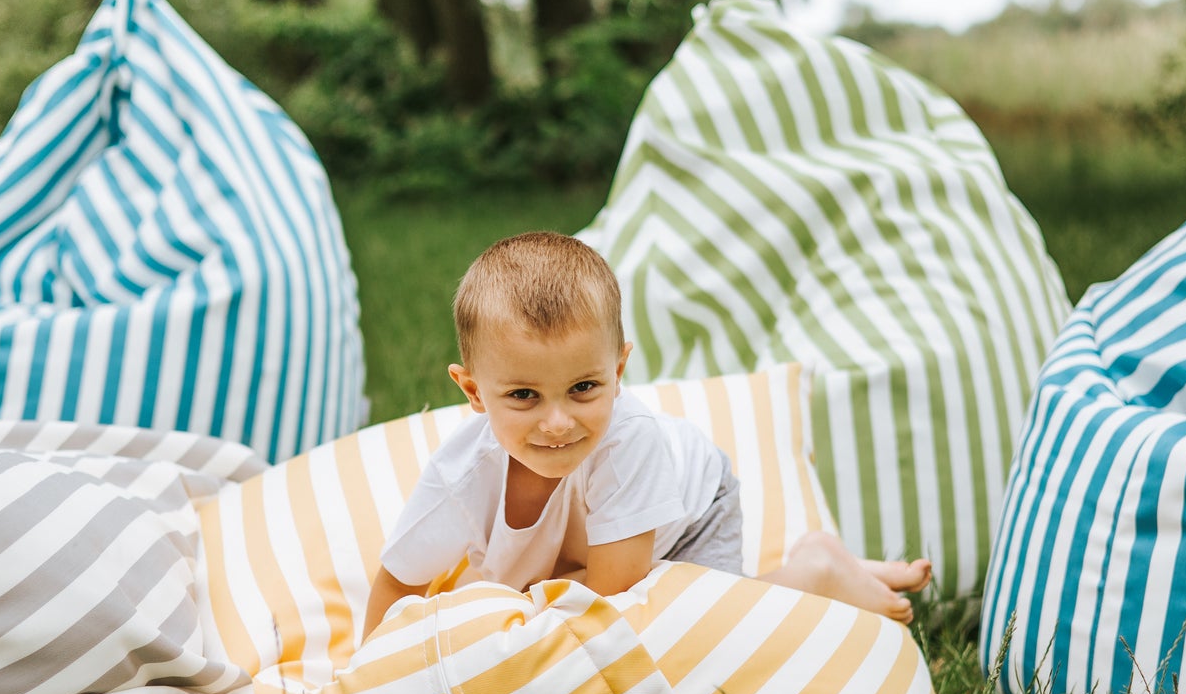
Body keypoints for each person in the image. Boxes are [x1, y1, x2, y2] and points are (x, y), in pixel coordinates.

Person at [364, 232, 931, 633]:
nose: (558, 422)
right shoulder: (460, 478)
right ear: (473, 393)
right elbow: (397, 585)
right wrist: (365, 685)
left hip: (690, 513)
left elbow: (613, 603)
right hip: (595, 552)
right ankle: (832, 565)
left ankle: (816, 573)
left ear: (618, 370)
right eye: (522, 396)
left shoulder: (627, 442)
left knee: (695, 632)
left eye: (584, 388)